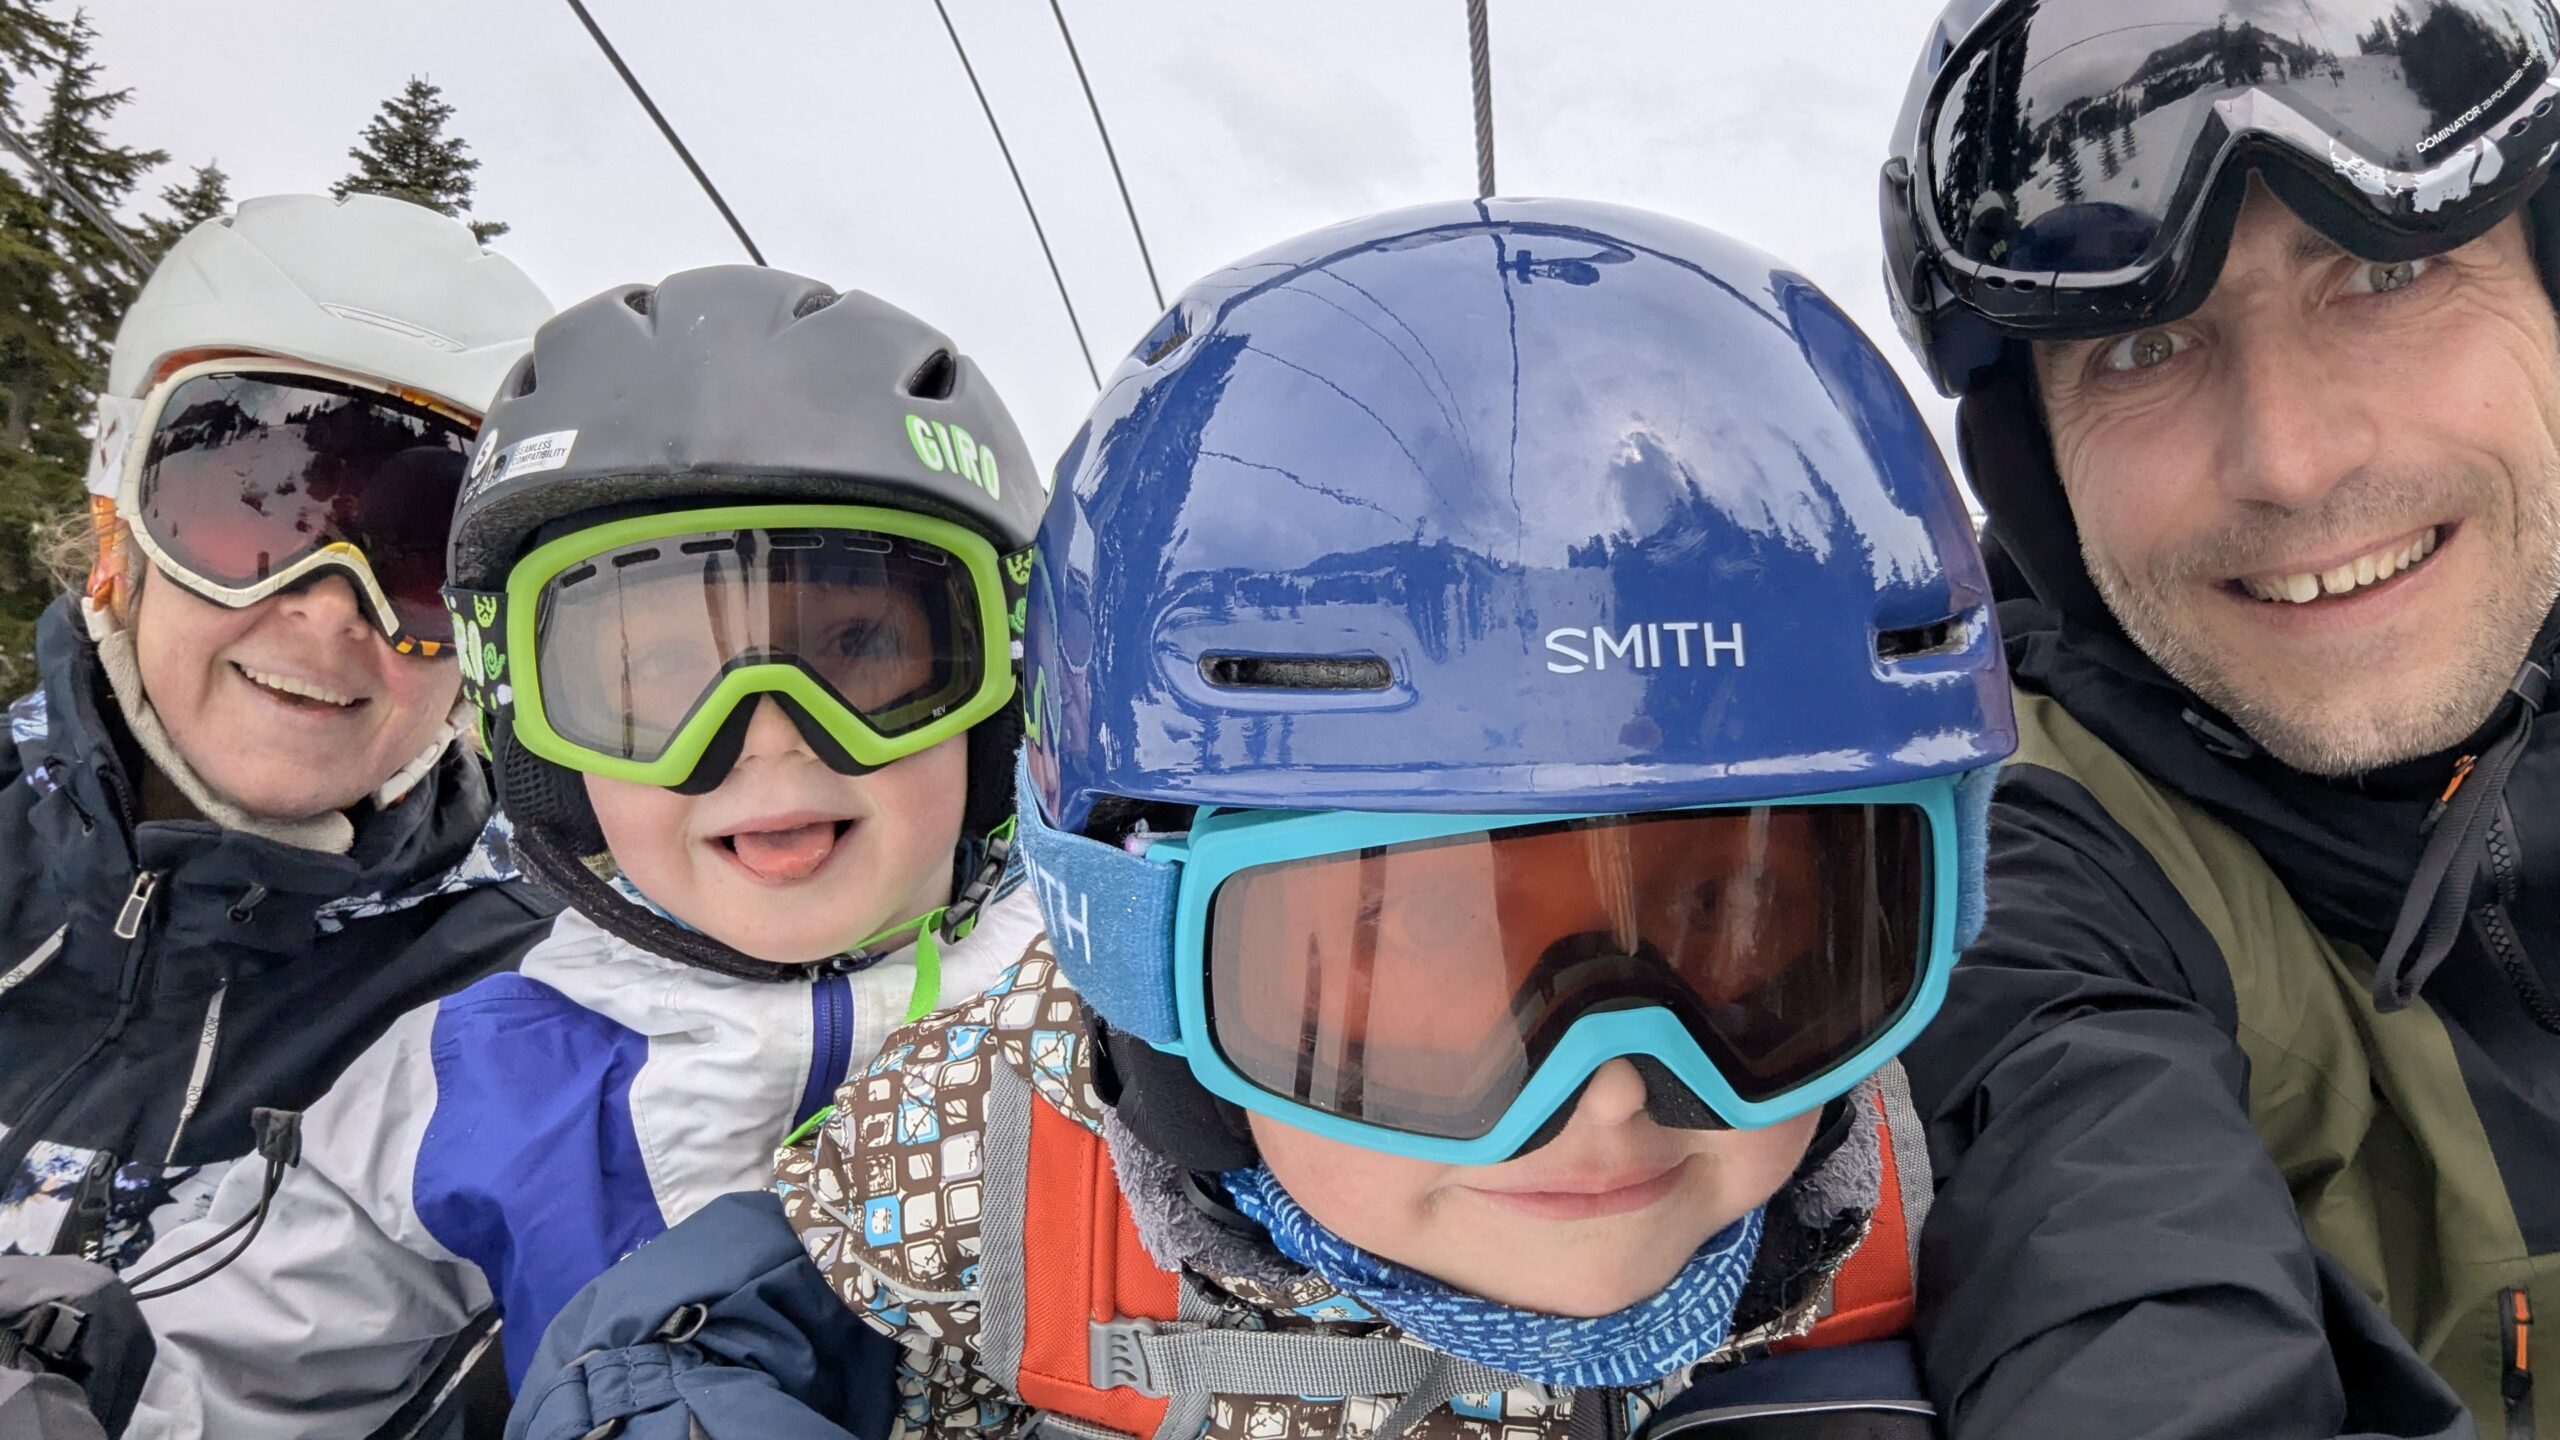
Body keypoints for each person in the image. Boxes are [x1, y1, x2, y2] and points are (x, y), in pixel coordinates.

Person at [506, 199, 2013, 1440]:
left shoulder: (1955, 1179)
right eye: (1418, 943)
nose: (1609, 1094)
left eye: (1737, 918)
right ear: (1137, 961)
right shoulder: (996, 1167)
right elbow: (675, 1352)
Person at [120, 265, 1051, 1437]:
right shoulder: (483, 1074)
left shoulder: (1111, 1008)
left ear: (998, 689)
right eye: (652, 675)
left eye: (860, 650)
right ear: (541, 744)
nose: (765, 737)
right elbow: (226, 1363)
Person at [1880, 0, 2560, 1434]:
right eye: (2139, 348)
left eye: (2387, 272)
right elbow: (2102, 1245)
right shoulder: (2017, 873)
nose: (2292, 463)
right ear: (2038, 469)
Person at [0, 192, 555, 1270]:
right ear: (121, 533)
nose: (331, 609)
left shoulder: (526, 1018)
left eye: (425, 561)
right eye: (250, 507)